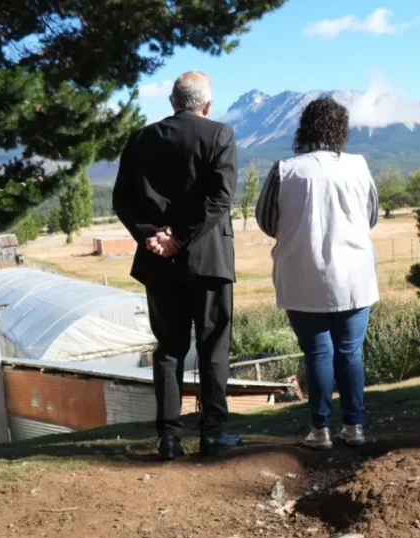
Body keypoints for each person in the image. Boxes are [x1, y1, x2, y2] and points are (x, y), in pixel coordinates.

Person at [112, 71, 242, 460]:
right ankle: (212, 432)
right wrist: (180, 236)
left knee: (168, 349)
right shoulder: (220, 135)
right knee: (213, 345)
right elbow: (220, 198)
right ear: (207, 104)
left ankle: (169, 437)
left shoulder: (140, 139)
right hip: (209, 261)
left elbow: (122, 199)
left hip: (158, 262)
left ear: (172, 102)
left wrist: (153, 235)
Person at [255, 97, 379, 450]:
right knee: (350, 352)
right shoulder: (359, 166)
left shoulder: (285, 169)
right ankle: (354, 426)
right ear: (341, 130)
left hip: (302, 275)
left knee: (318, 354)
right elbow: (371, 215)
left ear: (304, 129)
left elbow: (267, 220)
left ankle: (320, 429)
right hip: (354, 275)